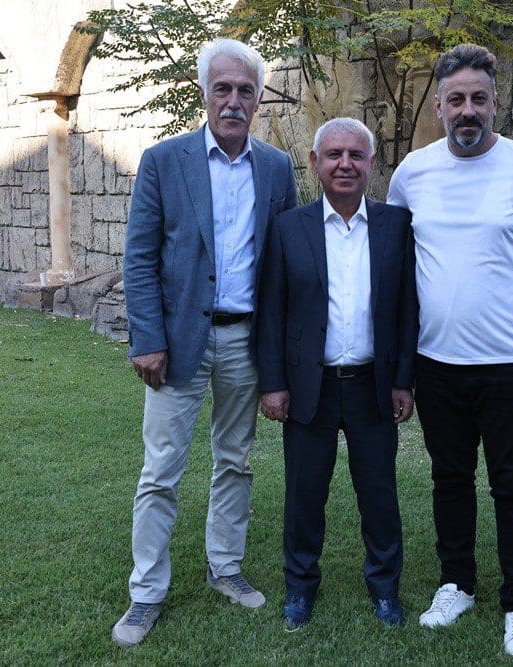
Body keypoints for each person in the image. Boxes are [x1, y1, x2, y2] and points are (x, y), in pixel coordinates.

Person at [386, 43, 513, 657]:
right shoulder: (411, 174)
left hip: (511, 365)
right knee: (449, 480)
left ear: (495, 102)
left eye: (478, 98)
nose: (467, 110)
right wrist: (399, 365)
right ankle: (457, 584)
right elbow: (396, 271)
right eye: (456, 100)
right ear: (439, 107)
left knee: (512, 486)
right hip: (436, 364)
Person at [112, 38, 298, 648]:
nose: (234, 101)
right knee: (161, 470)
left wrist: (279, 356)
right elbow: (139, 258)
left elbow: (283, 265)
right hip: (178, 343)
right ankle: (147, 592)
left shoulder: (277, 168)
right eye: (223, 89)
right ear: (204, 94)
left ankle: (225, 567)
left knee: (235, 461)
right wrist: (147, 338)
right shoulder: (164, 161)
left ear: (259, 97)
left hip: (245, 341)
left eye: (246, 90)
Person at [257, 117, 417, 630]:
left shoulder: (396, 225)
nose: (345, 164)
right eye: (334, 155)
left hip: (373, 385)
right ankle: (300, 587)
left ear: (371, 163)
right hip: (311, 387)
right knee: (304, 494)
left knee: (379, 492)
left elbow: (407, 309)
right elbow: (272, 311)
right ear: (315, 163)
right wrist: (273, 384)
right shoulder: (289, 228)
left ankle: (385, 588)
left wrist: (403, 380)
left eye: (355, 155)